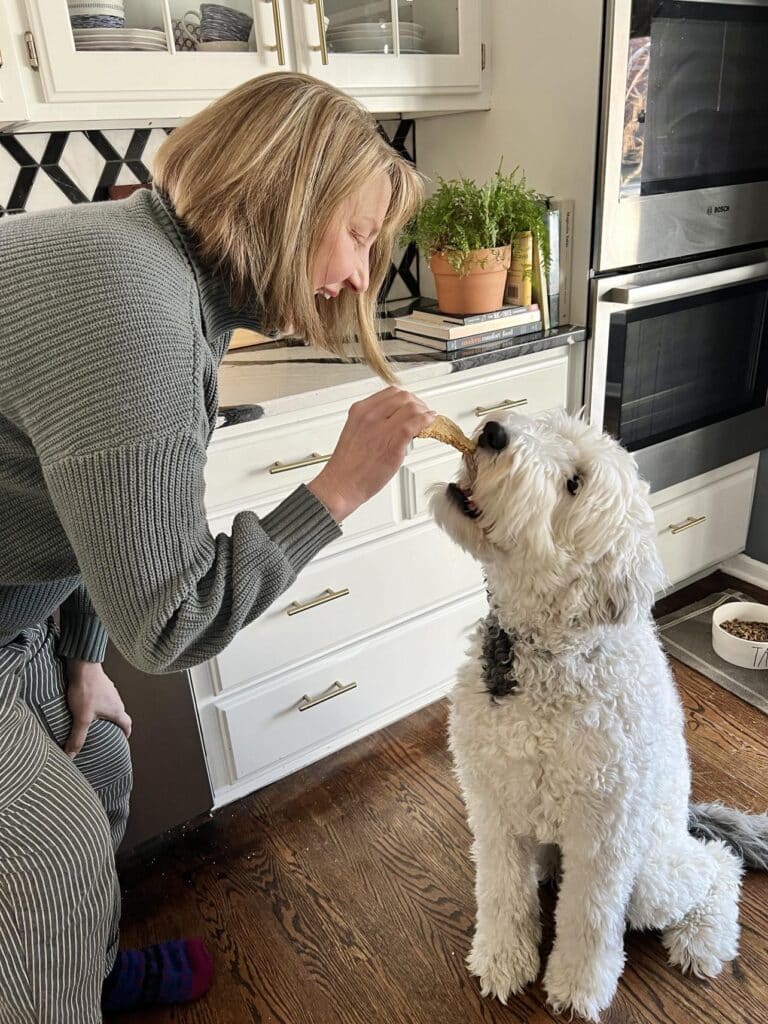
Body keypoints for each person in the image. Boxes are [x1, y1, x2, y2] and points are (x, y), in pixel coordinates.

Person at [0, 71, 434, 1022]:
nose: (362, 274)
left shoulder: (156, 272)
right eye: (359, 234)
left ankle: (83, 970)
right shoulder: (129, 301)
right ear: (292, 195)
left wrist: (77, 655)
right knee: (50, 864)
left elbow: (72, 504)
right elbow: (169, 624)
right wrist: (337, 489)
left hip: (20, 615)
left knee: (104, 757)